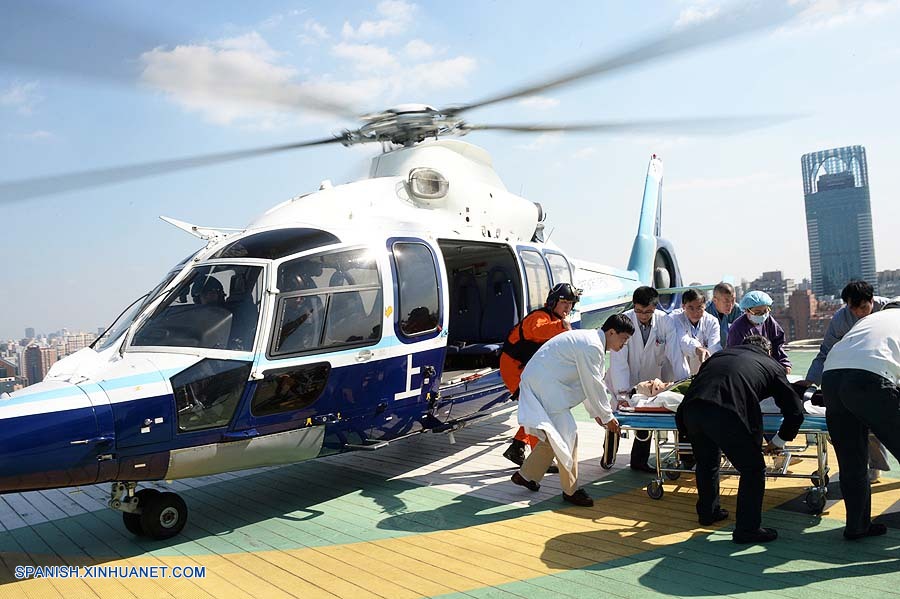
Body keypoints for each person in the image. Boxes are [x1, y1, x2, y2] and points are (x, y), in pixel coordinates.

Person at [676, 335, 804, 544]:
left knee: (707, 463)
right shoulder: (771, 365)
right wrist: (779, 440)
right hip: (725, 412)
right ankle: (747, 529)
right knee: (753, 469)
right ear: (768, 351)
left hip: (691, 410)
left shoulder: (719, 356)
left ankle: (708, 513)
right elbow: (795, 411)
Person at [511, 314, 633, 507]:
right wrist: (606, 416)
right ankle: (571, 491)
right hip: (546, 387)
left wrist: (598, 414)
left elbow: (587, 383)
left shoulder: (590, 341)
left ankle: (526, 475)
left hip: (541, 383)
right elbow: (593, 384)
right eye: (624, 339)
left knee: (554, 436)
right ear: (611, 332)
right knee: (569, 436)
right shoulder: (592, 346)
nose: (624, 344)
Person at [822, 305, 900, 540]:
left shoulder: (868, 322)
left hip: (832, 379)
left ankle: (857, 526)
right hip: (870, 377)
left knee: (852, 461)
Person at [802, 280, 891, 482]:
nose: (858, 313)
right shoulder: (841, 319)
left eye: (863, 307)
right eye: (853, 308)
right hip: (861, 375)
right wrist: (810, 380)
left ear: (872, 300)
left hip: (891, 367)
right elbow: (826, 352)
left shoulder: (888, 309)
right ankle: (873, 466)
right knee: (865, 423)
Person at [499, 283, 580, 469]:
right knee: (537, 409)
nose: (567, 307)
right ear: (553, 302)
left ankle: (518, 445)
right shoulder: (540, 317)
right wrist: (562, 326)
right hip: (514, 367)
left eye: (570, 303)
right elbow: (537, 331)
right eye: (564, 302)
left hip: (528, 369)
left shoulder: (554, 320)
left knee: (538, 407)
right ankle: (537, 458)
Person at [609, 286, 674, 472]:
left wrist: (679, 383)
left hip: (650, 380)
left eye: (647, 311)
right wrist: (622, 393)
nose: (642, 315)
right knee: (615, 418)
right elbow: (619, 362)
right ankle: (609, 455)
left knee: (644, 419)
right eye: (638, 310)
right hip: (624, 376)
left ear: (655, 307)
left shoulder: (665, 322)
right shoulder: (624, 321)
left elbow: (674, 355)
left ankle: (638, 461)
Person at [726, 290, 791, 373]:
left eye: (765, 311)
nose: (763, 315)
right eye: (757, 312)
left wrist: (784, 363)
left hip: (768, 364)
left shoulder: (768, 321)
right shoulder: (737, 328)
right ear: (747, 311)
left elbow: (777, 343)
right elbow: (737, 356)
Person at [667, 288, 721, 380]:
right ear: (683, 306)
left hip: (702, 371)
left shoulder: (712, 321)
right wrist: (697, 349)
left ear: (705, 306)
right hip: (677, 371)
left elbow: (715, 347)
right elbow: (682, 340)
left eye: (699, 307)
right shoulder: (674, 319)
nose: (695, 312)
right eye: (691, 308)